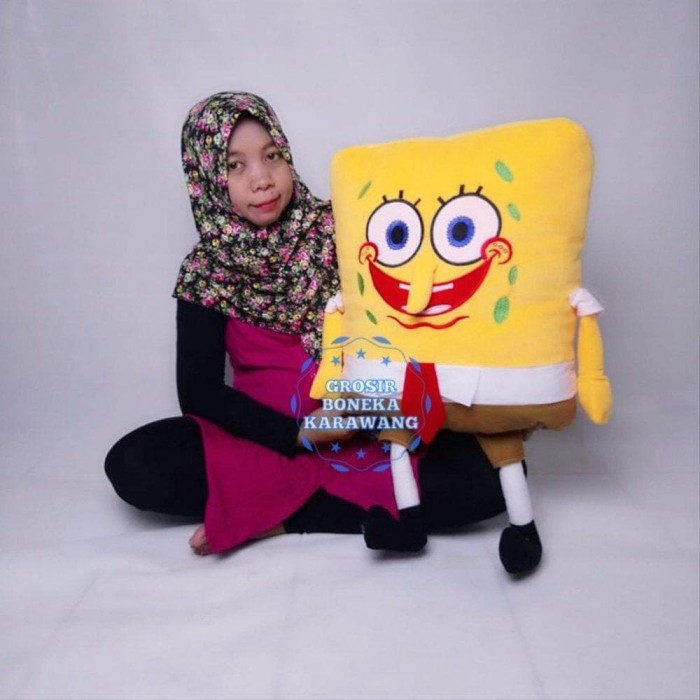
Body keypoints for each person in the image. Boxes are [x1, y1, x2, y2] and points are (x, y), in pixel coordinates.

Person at [104, 91, 506, 556]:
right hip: (266, 439)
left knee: (491, 477)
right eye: (235, 166)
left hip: (361, 426)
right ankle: (314, 503)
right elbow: (200, 392)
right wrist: (296, 433)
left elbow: (405, 324)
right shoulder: (205, 272)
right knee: (132, 463)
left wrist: (364, 411)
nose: (261, 179)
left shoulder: (345, 229)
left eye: (271, 155)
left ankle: (281, 513)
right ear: (207, 178)